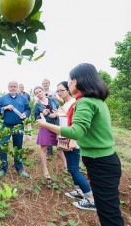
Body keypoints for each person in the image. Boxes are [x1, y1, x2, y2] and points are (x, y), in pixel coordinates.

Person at [37, 63, 124, 225]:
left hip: (101, 163)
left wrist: (45, 124)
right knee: (109, 209)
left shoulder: (84, 102)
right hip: (106, 160)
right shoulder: (98, 101)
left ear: (76, 81)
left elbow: (76, 132)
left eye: (69, 81)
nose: (68, 85)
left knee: (109, 216)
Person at [55, 81, 95, 211]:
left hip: (72, 140)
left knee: (73, 168)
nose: (59, 93)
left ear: (68, 90)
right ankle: (78, 191)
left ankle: (90, 198)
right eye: (58, 91)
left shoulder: (74, 103)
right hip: (65, 138)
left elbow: (74, 124)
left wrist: (73, 140)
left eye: (61, 90)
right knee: (71, 168)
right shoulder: (66, 104)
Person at [0, 81, 31, 179]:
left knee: (18, 147)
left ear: (17, 88)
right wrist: (5, 107)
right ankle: (3, 168)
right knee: (2, 146)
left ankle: (19, 168)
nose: (13, 88)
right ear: (8, 87)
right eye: (11, 86)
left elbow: (28, 109)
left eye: (14, 86)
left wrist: (25, 114)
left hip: (19, 126)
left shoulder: (23, 99)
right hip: (6, 126)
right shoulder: (3, 98)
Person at [33, 86, 62, 181]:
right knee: (44, 148)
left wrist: (56, 114)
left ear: (43, 91)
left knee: (60, 147)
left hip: (55, 125)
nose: (39, 94)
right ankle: (45, 170)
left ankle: (66, 167)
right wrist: (43, 115)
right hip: (45, 126)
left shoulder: (52, 100)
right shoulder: (37, 105)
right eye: (36, 93)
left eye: (40, 91)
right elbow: (36, 118)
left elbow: (59, 110)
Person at [42, 78, 63, 156]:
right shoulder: (40, 93)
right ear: (42, 85)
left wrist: (53, 96)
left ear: (49, 84)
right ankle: (49, 153)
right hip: (46, 116)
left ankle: (60, 150)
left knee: (57, 133)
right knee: (48, 134)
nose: (45, 84)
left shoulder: (53, 93)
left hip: (55, 115)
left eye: (46, 83)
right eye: (44, 83)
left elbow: (61, 101)